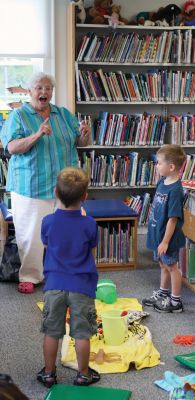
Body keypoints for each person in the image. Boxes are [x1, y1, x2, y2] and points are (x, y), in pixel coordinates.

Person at [0, 72, 91, 294]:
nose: (44, 92)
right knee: (31, 234)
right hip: (31, 186)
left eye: (48, 88)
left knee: (65, 231)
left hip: (64, 186)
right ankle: (30, 275)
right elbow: (11, 148)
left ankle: (64, 272)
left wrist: (84, 135)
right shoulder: (19, 116)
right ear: (30, 91)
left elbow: (78, 142)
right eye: (39, 88)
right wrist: (37, 134)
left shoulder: (63, 114)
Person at [37, 167, 100, 387]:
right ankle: (83, 374)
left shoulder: (47, 222)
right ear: (85, 196)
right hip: (82, 286)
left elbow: (47, 245)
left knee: (52, 332)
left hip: (54, 285)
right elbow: (91, 254)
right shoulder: (90, 224)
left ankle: (48, 373)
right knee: (82, 333)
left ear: (56, 192)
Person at [142, 144, 186, 313]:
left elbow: (173, 219)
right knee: (162, 265)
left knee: (172, 267)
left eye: (159, 163)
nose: (157, 165)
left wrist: (165, 242)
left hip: (168, 238)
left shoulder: (175, 190)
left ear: (171, 166)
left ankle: (176, 302)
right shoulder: (162, 181)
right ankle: (163, 293)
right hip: (158, 234)